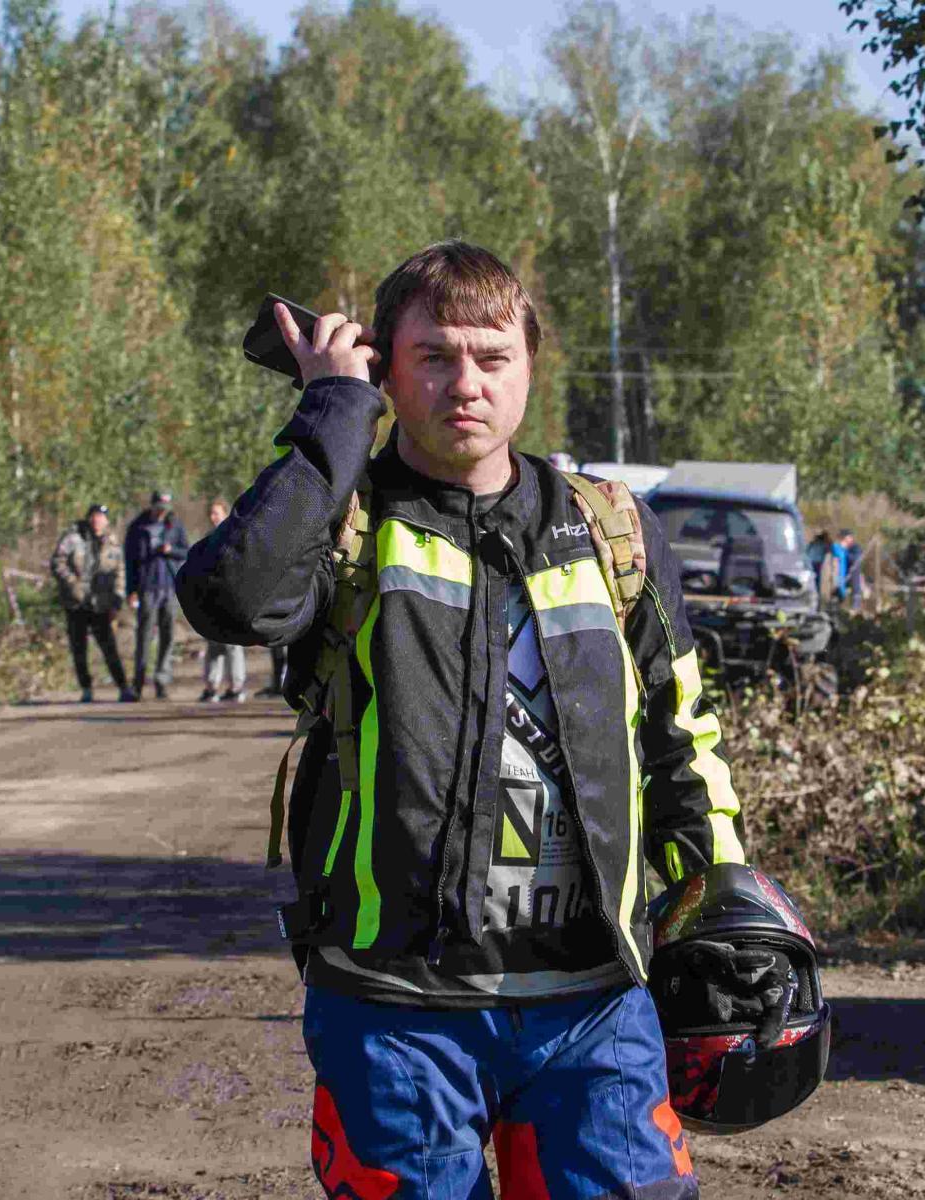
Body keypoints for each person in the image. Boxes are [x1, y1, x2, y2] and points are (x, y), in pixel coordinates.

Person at [177, 241, 744, 1200]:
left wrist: (724, 904)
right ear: (387, 369)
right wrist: (333, 410)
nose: (464, 384)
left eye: (492, 357)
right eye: (433, 357)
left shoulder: (611, 531)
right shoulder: (348, 524)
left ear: (529, 368)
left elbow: (682, 740)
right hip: (396, 1006)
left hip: (593, 1000)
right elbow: (231, 597)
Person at [50, 503, 136, 703]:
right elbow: (57, 562)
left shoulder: (113, 543)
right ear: (89, 518)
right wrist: (72, 583)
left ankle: (124, 687)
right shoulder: (73, 538)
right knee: (79, 648)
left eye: (101, 517)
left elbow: (120, 572)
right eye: (94, 516)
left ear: (106, 521)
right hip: (76, 603)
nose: (97, 521)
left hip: (100, 604)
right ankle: (86, 689)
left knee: (109, 647)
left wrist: (117, 598)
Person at [124, 490, 190, 699]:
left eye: (165, 509)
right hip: (147, 589)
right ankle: (138, 683)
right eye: (159, 508)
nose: (162, 512)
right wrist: (131, 590)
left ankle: (161, 681)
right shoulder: (137, 527)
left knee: (167, 636)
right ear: (152, 506)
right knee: (144, 637)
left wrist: (170, 550)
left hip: (169, 587)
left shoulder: (175, 525)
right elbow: (129, 563)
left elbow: (187, 551)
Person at [197, 499, 247, 702]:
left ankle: (236, 686)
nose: (213, 517)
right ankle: (211, 686)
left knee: (233, 645)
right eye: (211, 513)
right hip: (211, 596)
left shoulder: (235, 535)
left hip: (231, 596)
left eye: (217, 513)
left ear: (226, 514)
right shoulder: (208, 538)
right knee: (213, 644)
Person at [833, 528, 862, 611]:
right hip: (841, 576)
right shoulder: (839, 548)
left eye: (844, 538)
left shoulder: (855, 547)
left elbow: (855, 560)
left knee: (855, 594)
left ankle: (855, 609)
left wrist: (844, 551)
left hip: (853, 576)